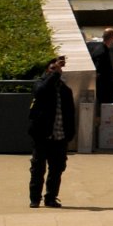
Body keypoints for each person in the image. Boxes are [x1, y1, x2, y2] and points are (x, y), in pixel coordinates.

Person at [26, 55, 76, 209]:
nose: (57, 71)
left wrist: (70, 134)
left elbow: (70, 114)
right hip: (42, 135)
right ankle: (35, 199)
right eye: (53, 69)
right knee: (38, 168)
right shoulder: (41, 84)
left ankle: (51, 197)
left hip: (59, 137)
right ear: (47, 71)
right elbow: (40, 92)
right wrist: (54, 74)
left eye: (58, 69)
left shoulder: (65, 90)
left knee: (57, 169)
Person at [88, 29, 113, 107]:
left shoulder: (100, 49)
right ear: (112, 38)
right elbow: (99, 70)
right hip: (104, 87)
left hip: (105, 85)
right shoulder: (102, 52)